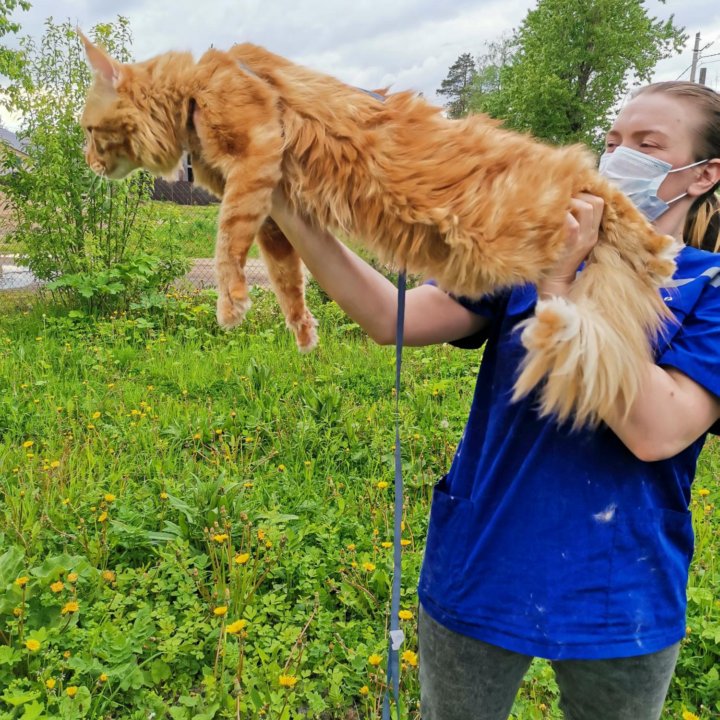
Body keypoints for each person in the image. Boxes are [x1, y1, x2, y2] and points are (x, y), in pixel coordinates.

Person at [270, 81, 720, 720]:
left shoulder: (708, 288)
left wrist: (560, 285)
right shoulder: (525, 250)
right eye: (614, 141)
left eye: (648, 145)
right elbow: (394, 319)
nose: (619, 157)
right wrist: (288, 207)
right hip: (483, 567)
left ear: (702, 175)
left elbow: (657, 430)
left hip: (621, 591)